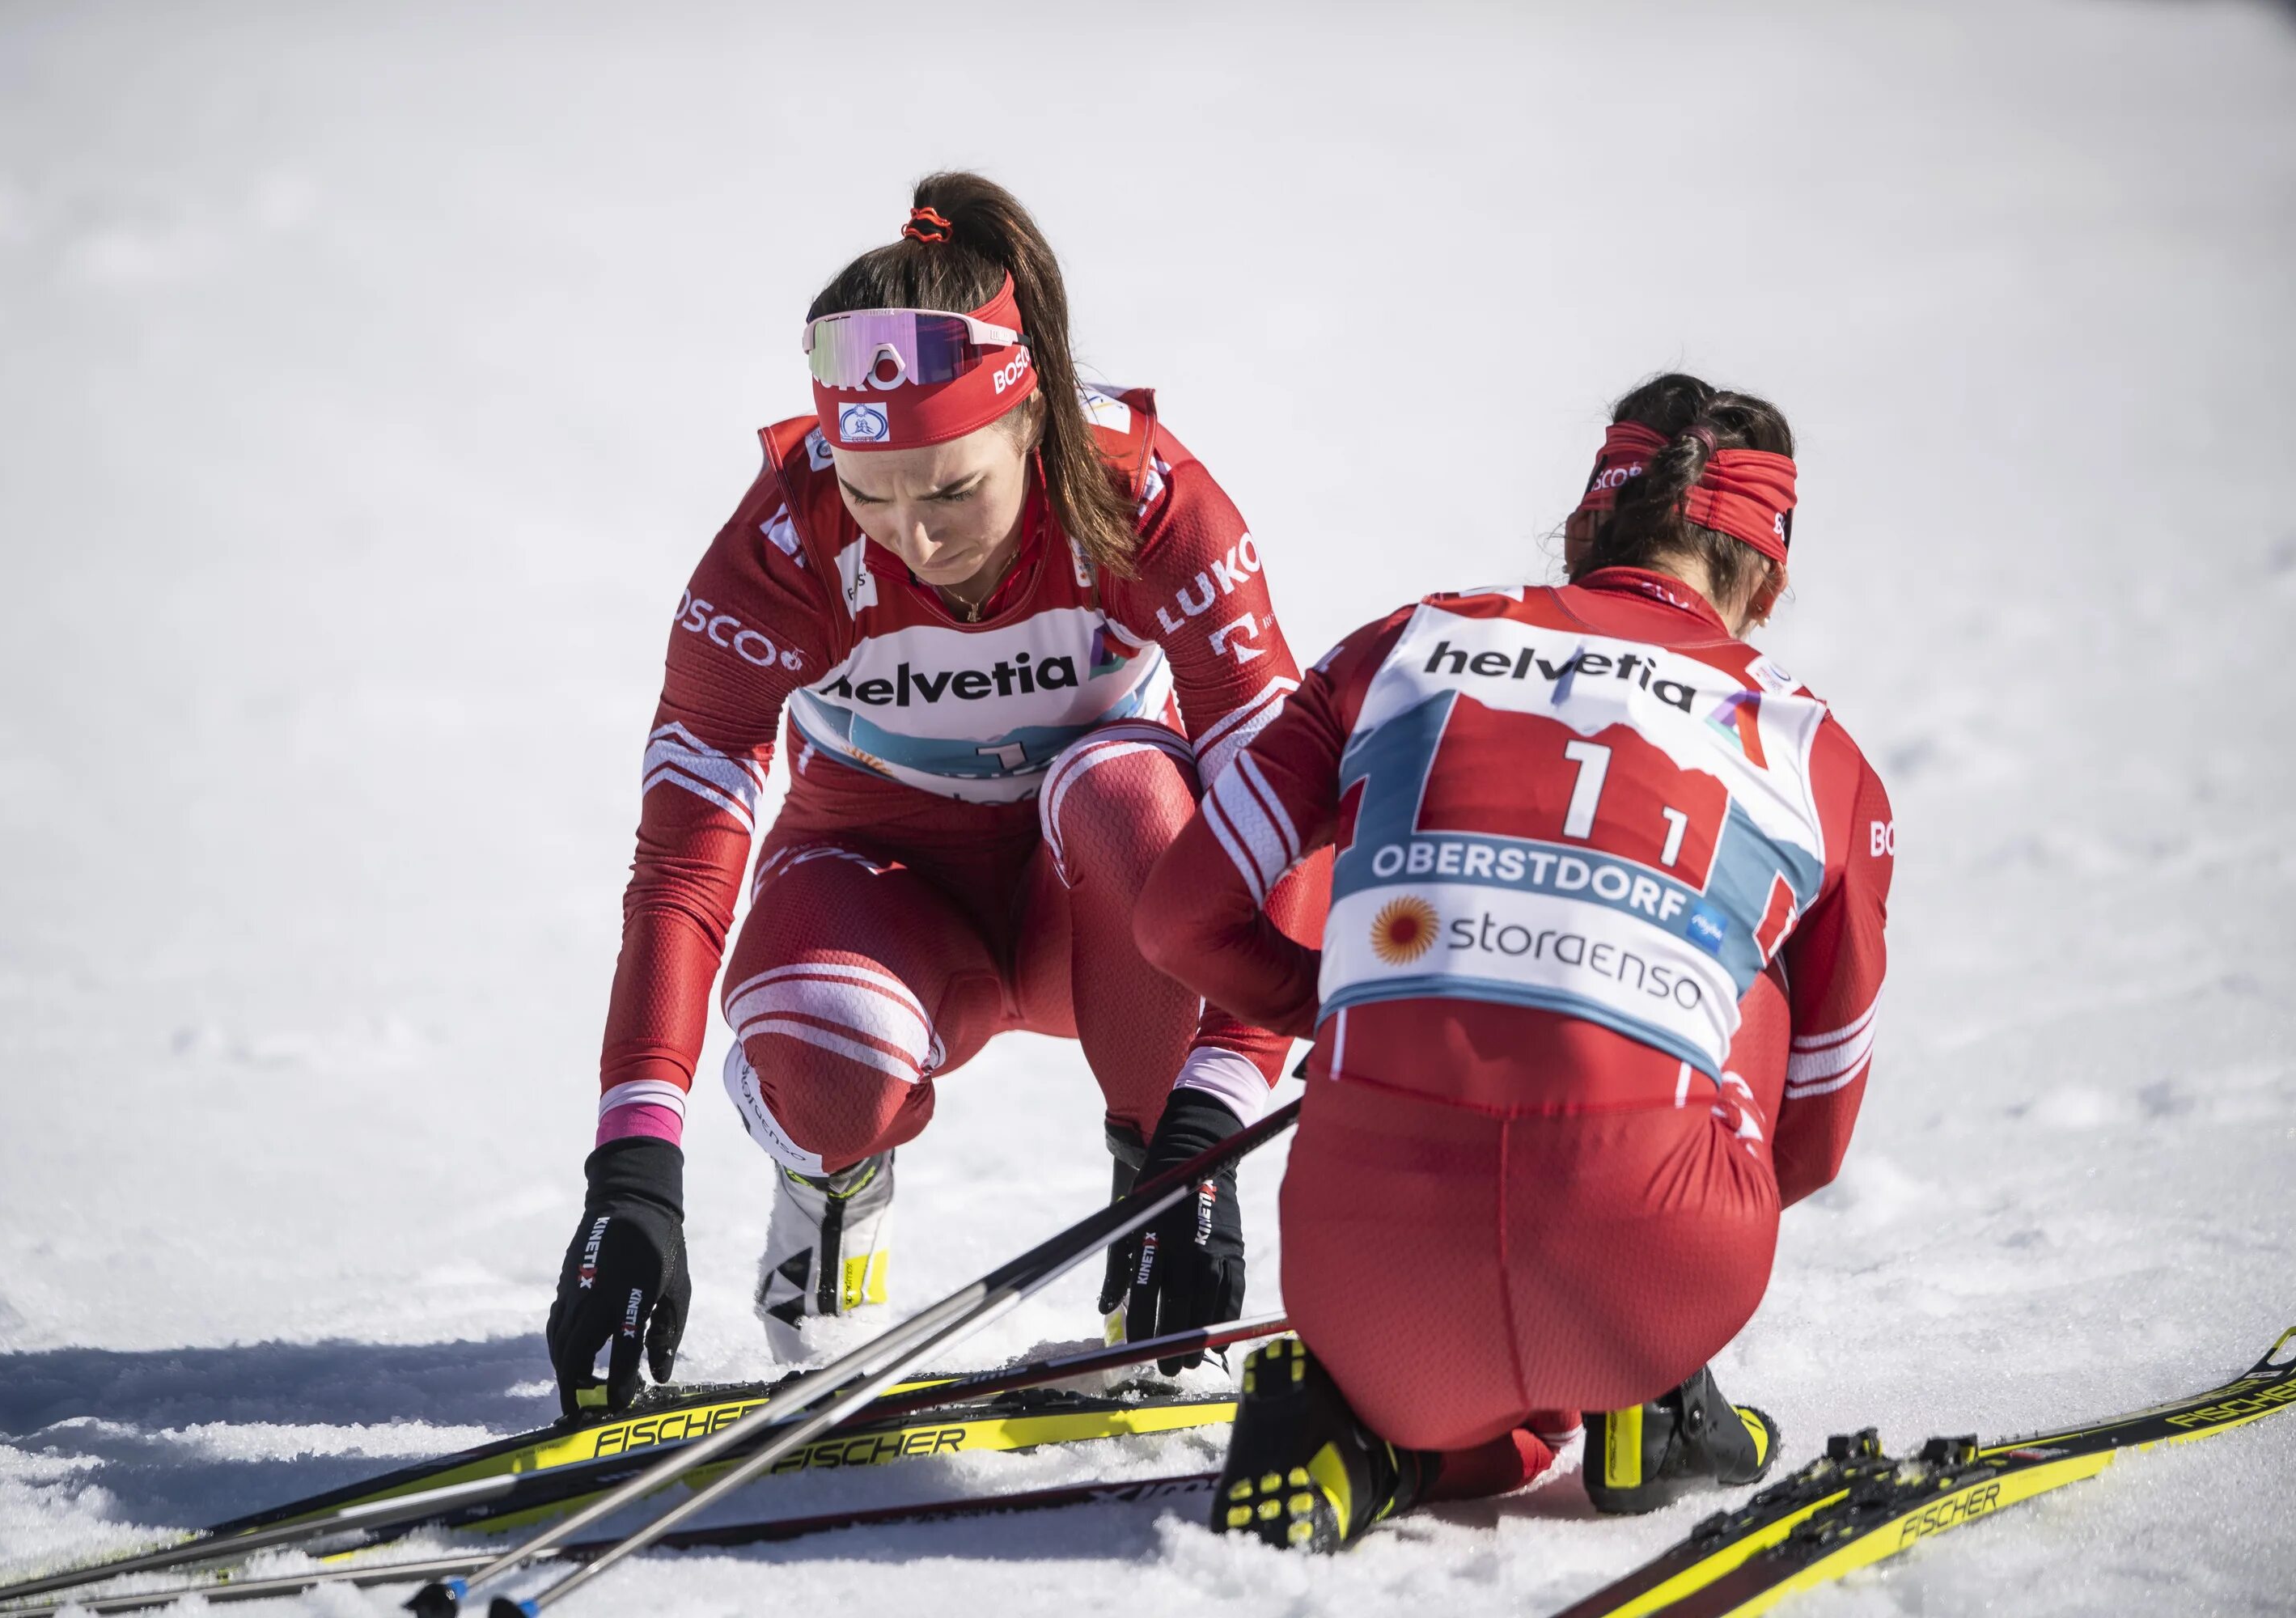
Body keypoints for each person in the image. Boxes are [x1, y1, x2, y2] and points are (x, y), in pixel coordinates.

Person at [542, 173, 1323, 1417]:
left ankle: (1152, 1191)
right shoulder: (784, 545)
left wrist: (1210, 1126)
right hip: (884, 887)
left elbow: (1282, 803)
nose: (914, 536)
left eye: (952, 488)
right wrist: (632, 1170)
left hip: (1108, 920)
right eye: (871, 489)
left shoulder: (1143, 497)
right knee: (835, 1062)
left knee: (1128, 788)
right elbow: (686, 860)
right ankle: (828, 1168)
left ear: (1032, 425)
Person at [1136, 374, 1895, 1549]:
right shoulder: (1813, 742)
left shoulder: (1410, 638)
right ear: (1768, 580)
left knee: (1400, 894)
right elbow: (1812, 1143)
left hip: (1356, 1270)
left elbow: (1178, 922)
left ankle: (1386, 1436)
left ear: (1588, 525)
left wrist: (1343, 1009)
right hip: (1657, 1269)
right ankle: (1648, 1393)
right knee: (1744, 960)